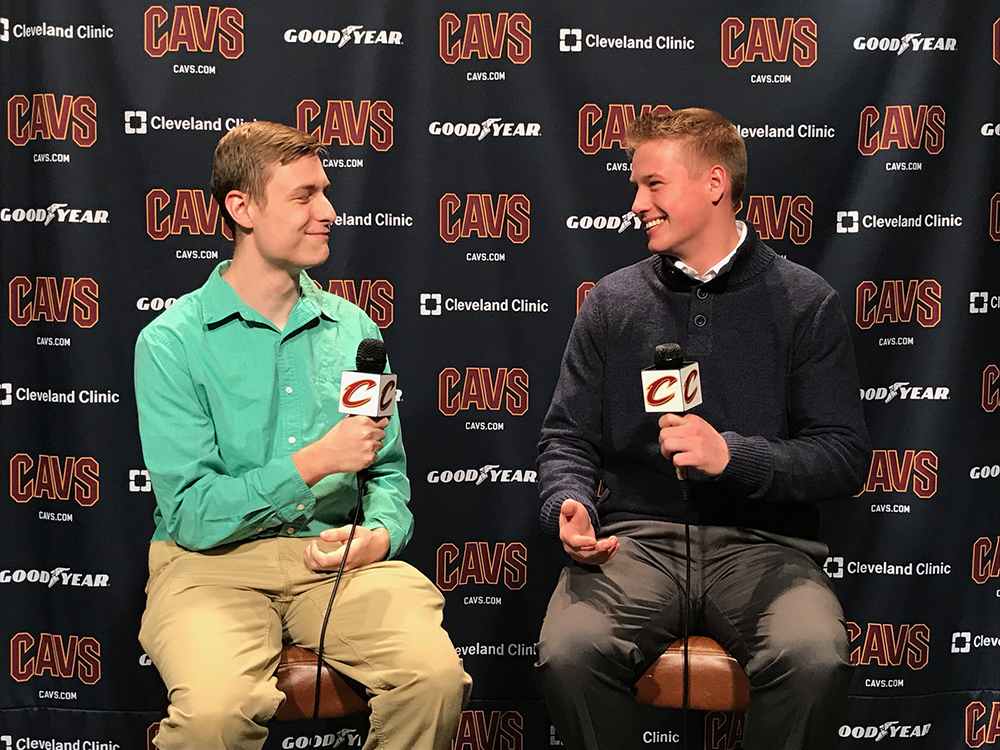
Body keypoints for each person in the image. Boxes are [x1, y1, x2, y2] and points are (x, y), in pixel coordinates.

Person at [536, 108, 871, 750]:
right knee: (570, 652)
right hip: (635, 544)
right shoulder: (612, 301)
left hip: (765, 545)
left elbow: (843, 455)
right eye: (636, 187)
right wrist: (569, 499)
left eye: (652, 185)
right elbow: (567, 437)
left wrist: (732, 457)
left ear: (715, 183)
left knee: (814, 655)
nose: (637, 204)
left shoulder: (806, 302)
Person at [134, 121, 471, 750]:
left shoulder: (354, 331)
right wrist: (313, 463)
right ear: (242, 208)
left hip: (336, 561)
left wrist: (380, 534)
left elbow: (387, 473)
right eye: (304, 195)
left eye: (326, 192)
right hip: (212, 568)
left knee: (433, 678)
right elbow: (191, 514)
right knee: (214, 715)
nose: (328, 211)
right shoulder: (170, 342)